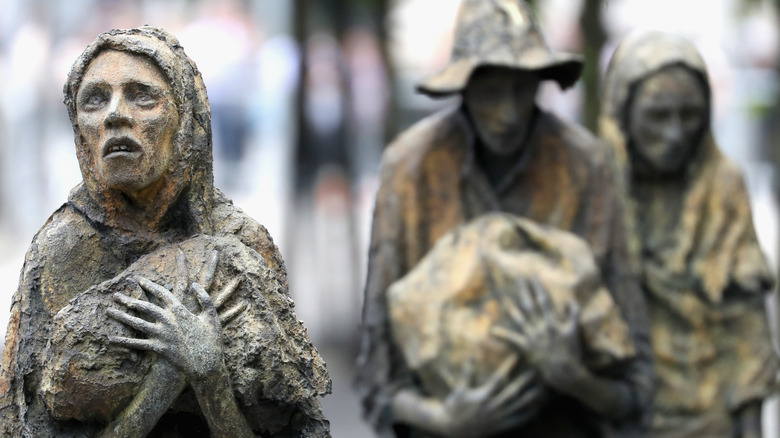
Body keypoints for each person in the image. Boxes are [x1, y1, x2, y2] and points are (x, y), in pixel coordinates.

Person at [0, 26, 330, 437]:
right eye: (95, 100)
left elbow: (292, 427)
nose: (115, 114)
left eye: (142, 95)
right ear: (79, 131)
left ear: (185, 119)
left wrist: (210, 378)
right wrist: (164, 381)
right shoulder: (60, 252)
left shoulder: (241, 245)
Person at [356, 1, 654, 436]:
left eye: (522, 88)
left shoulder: (585, 165)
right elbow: (377, 375)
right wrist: (443, 418)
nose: (510, 113)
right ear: (464, 87)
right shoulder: (411, 168)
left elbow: (636, 386)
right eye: (491, 91)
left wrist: (573, 377)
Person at [600, 31, 779, 438]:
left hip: (707, 414)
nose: (676, 133)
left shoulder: (723, 186)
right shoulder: (597, 185)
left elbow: (747, 325)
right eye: (658, 115)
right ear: (623, 113)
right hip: (618, 414)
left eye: (690, 113)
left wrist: (751, 428)